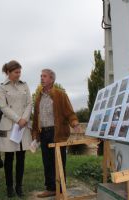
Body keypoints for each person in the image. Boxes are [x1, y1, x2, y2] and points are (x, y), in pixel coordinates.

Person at [32, 69, 80, 198]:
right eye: (41, 76)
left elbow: (69, 112)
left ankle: (60, 188)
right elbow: (36, 118)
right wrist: (35, 135)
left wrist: (74, 123)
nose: (42, 78)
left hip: (57, 132)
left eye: (45, 76)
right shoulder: (38, 98)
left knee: (59, 161)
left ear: (52, 79)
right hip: (44, 133)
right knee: (47, 162)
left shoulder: (60, 95)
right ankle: (50, 188)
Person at [0, 60, 32, 198]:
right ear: (8, 72)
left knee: (21, 157)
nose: (19, 74)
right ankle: (9, 187)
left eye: (20, 72)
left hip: (23, 126)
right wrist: (18, 119)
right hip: (10, 125)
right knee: (9, 158)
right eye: (16, 72)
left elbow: (30, 103)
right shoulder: (2, 87)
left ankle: (19, 186)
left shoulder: (24, 85)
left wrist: (24, 119)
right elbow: (3, 107)